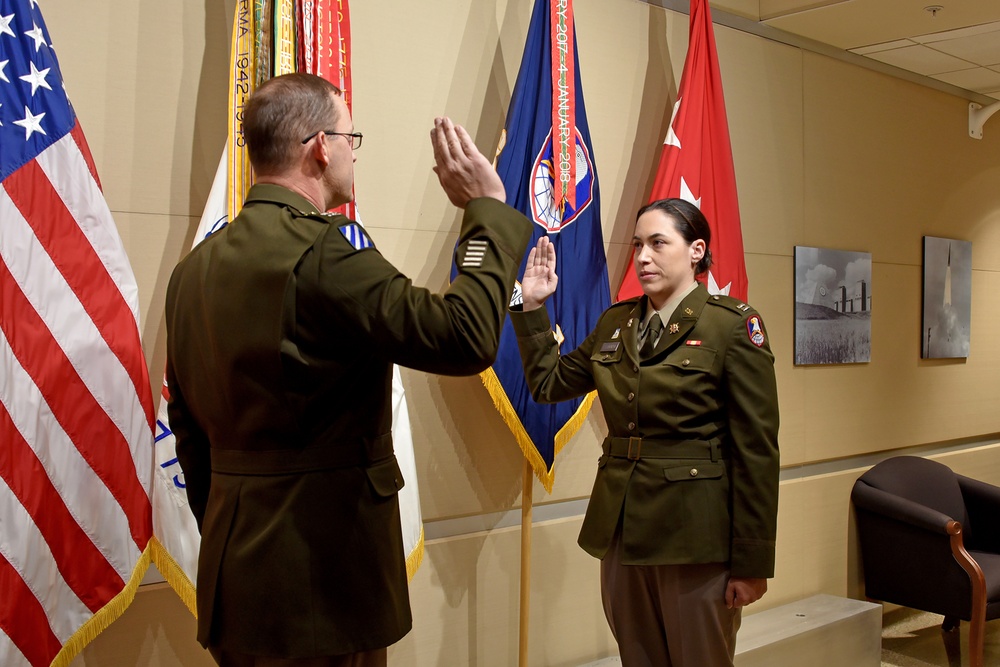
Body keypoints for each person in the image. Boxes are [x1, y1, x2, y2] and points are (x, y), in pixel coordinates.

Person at [164, 72, 532, 667]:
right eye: (349, 137)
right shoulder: (323, 252)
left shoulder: (194, 270)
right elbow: (464, 337)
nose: (350, 152)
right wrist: (486, 213)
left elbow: (189, 432)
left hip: (239, 577)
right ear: (319, 147)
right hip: (322, 581)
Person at [511, 198, 779, 666]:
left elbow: (756, 453)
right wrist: (532, 307)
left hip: (695, 538)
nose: (643, 256)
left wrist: (752, 564)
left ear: (697, 250)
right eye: (637, 244)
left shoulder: (731, 326)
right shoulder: (618, 322)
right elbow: (549, 383)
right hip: (622, 530)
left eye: (658, 243)